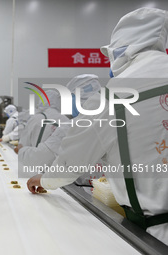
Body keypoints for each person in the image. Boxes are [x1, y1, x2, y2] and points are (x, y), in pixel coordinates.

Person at [27, 7, 168, 245]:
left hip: (154, 236)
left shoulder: (111, 96)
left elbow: (70, 163)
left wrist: (43, 180)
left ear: (120, 50)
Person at [18, 74, 101, 170]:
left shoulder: (70, 127)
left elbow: (40, 158)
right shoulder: (112, 121)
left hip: (69, 181)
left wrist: (22, 151)